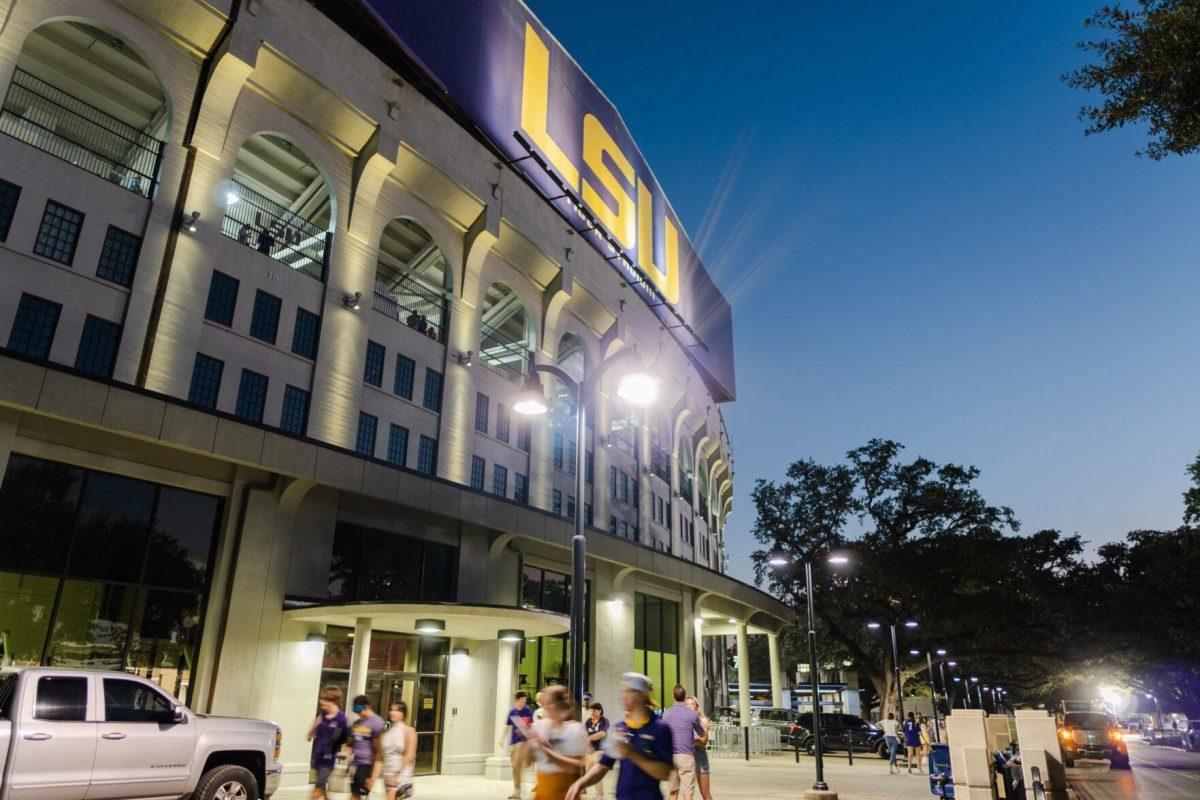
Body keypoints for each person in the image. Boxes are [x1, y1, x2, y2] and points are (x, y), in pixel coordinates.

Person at [566, 673, 674, 800]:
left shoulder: (660, 728)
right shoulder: (619, 728)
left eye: (627, 692)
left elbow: (665, 773)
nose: (622, 696)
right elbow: (602, 766)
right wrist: (580, 783)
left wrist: (632, 754)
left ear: (640, 695)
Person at [524, 685, 588, 800]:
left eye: (547, 702)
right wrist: (529, 744)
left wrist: (545, 750)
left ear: (556, 705)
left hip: (566, 794)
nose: (544, 706)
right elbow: (527, 762)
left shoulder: (575, 729)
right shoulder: (538, 726)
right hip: (543, 793)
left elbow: (576, 766)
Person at [661, 685, 704, 800]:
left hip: (671, 757)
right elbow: (702, 735)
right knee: (688, 793)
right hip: (686, 757)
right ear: (685, 697)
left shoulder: (666, 714)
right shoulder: (692, 715)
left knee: (673, 792)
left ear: (673, 696)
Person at [307, 686, 348, 800]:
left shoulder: (341, 720)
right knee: (322, 788)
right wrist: (312, 731)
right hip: (317, 758)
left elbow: (347, 739)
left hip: (328, 760)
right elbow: (311, 733)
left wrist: (345, 752)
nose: (321, 701)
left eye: (324, 699)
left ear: (333, 701)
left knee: (317, 790)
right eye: (321, 698)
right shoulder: (322, 715)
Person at [372, 700, 417, 799]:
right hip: (387, 773)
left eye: (397, 710)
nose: (393, 712)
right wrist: (373, 779)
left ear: (403, 714)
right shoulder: (384, 734)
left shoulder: (409, 731)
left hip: (401, 774)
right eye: (392, 710)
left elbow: (409, 756)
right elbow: (379, 758)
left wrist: (396, 775)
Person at [500, 691, 535, 800]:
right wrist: (501, 738)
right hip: (513, 742)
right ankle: (517, 791)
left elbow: (531, 726)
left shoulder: (528, 711)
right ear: (517, 700)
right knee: (515, 767)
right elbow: (506, 726)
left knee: (517, 764)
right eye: (522, 699)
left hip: (523, 742)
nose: (524, 701)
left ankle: (519, 790)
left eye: (525, 699)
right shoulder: (512, 712)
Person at [684, 697, 713, 800]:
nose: (689, 706)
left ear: (697, 706)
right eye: (687, 704)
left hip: (700, 754)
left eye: (692, 704)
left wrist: (704, 729)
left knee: (705, 792)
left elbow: (704, 742)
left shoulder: (703, 720)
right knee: (687, 792)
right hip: (687, 754)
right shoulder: (684, 720)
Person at [584, 702, 610, 799]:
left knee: (596, 772)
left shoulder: (605, 721)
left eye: (595, 710)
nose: (593, 712)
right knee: (589, 773)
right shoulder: (588, 721)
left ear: (600, 711)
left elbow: (601, 734)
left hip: (600, 750)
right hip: (590, 751)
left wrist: (588, 738)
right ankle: (597, 793)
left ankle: (600, 795)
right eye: (591, 710)